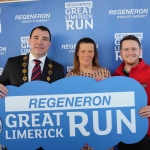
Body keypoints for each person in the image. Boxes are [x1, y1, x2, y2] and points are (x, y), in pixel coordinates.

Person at [66, 37, 113, 150]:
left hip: (102, 129)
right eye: (83, 51)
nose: (86, 55)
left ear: (94, 54)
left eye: (90, 51)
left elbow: (112, 103)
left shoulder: (104, 73)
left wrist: (105, 86)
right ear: (77, 53)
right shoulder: (70, 77)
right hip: (79, 131)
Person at [0, 25, 64, 98]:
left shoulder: (58, 68)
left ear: (49, 44)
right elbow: (1, 84)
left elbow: (60, 94)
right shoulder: (13, 63)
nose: (40, 42)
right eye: (36, 38)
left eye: (45, 39)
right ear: (29, 41)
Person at [113, 35, 150, 150]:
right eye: (126, 49)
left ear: (140, 51)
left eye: (134, 49)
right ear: (120, 52)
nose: (130, 52)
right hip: (124, 136)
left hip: (147, 137)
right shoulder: (114, 77)